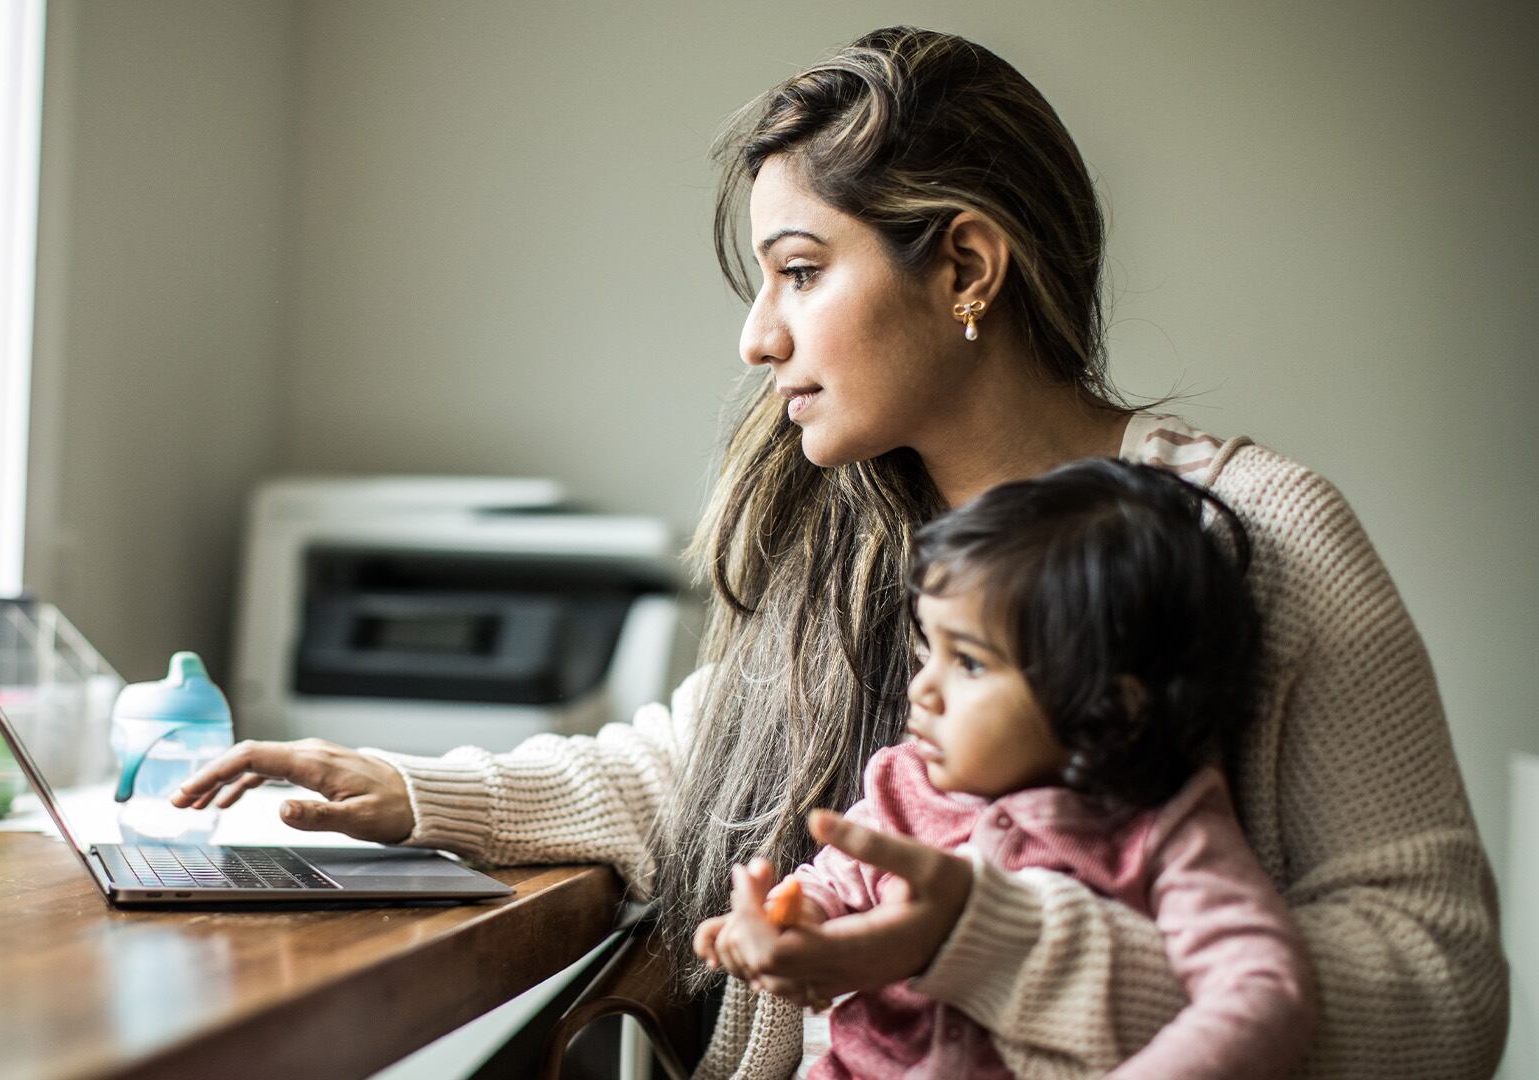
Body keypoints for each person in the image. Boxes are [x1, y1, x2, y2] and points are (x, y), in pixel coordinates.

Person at [174, 25, 1508, 1079]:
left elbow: (1441, 991)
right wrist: (407, 796)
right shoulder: (851, 536)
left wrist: (989, 951)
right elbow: (694, 773)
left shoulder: (1262, 537)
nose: (757, 338)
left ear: (968, 266)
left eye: (801, 271)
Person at [695, 458, 1317, 1078]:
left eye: (968, 662)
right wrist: (785, 922)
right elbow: (829, 886)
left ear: (1110, 706)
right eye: (925, 650)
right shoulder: (903, 787)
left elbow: (1261, 992)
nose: (922, 689)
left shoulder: (1168, 828)